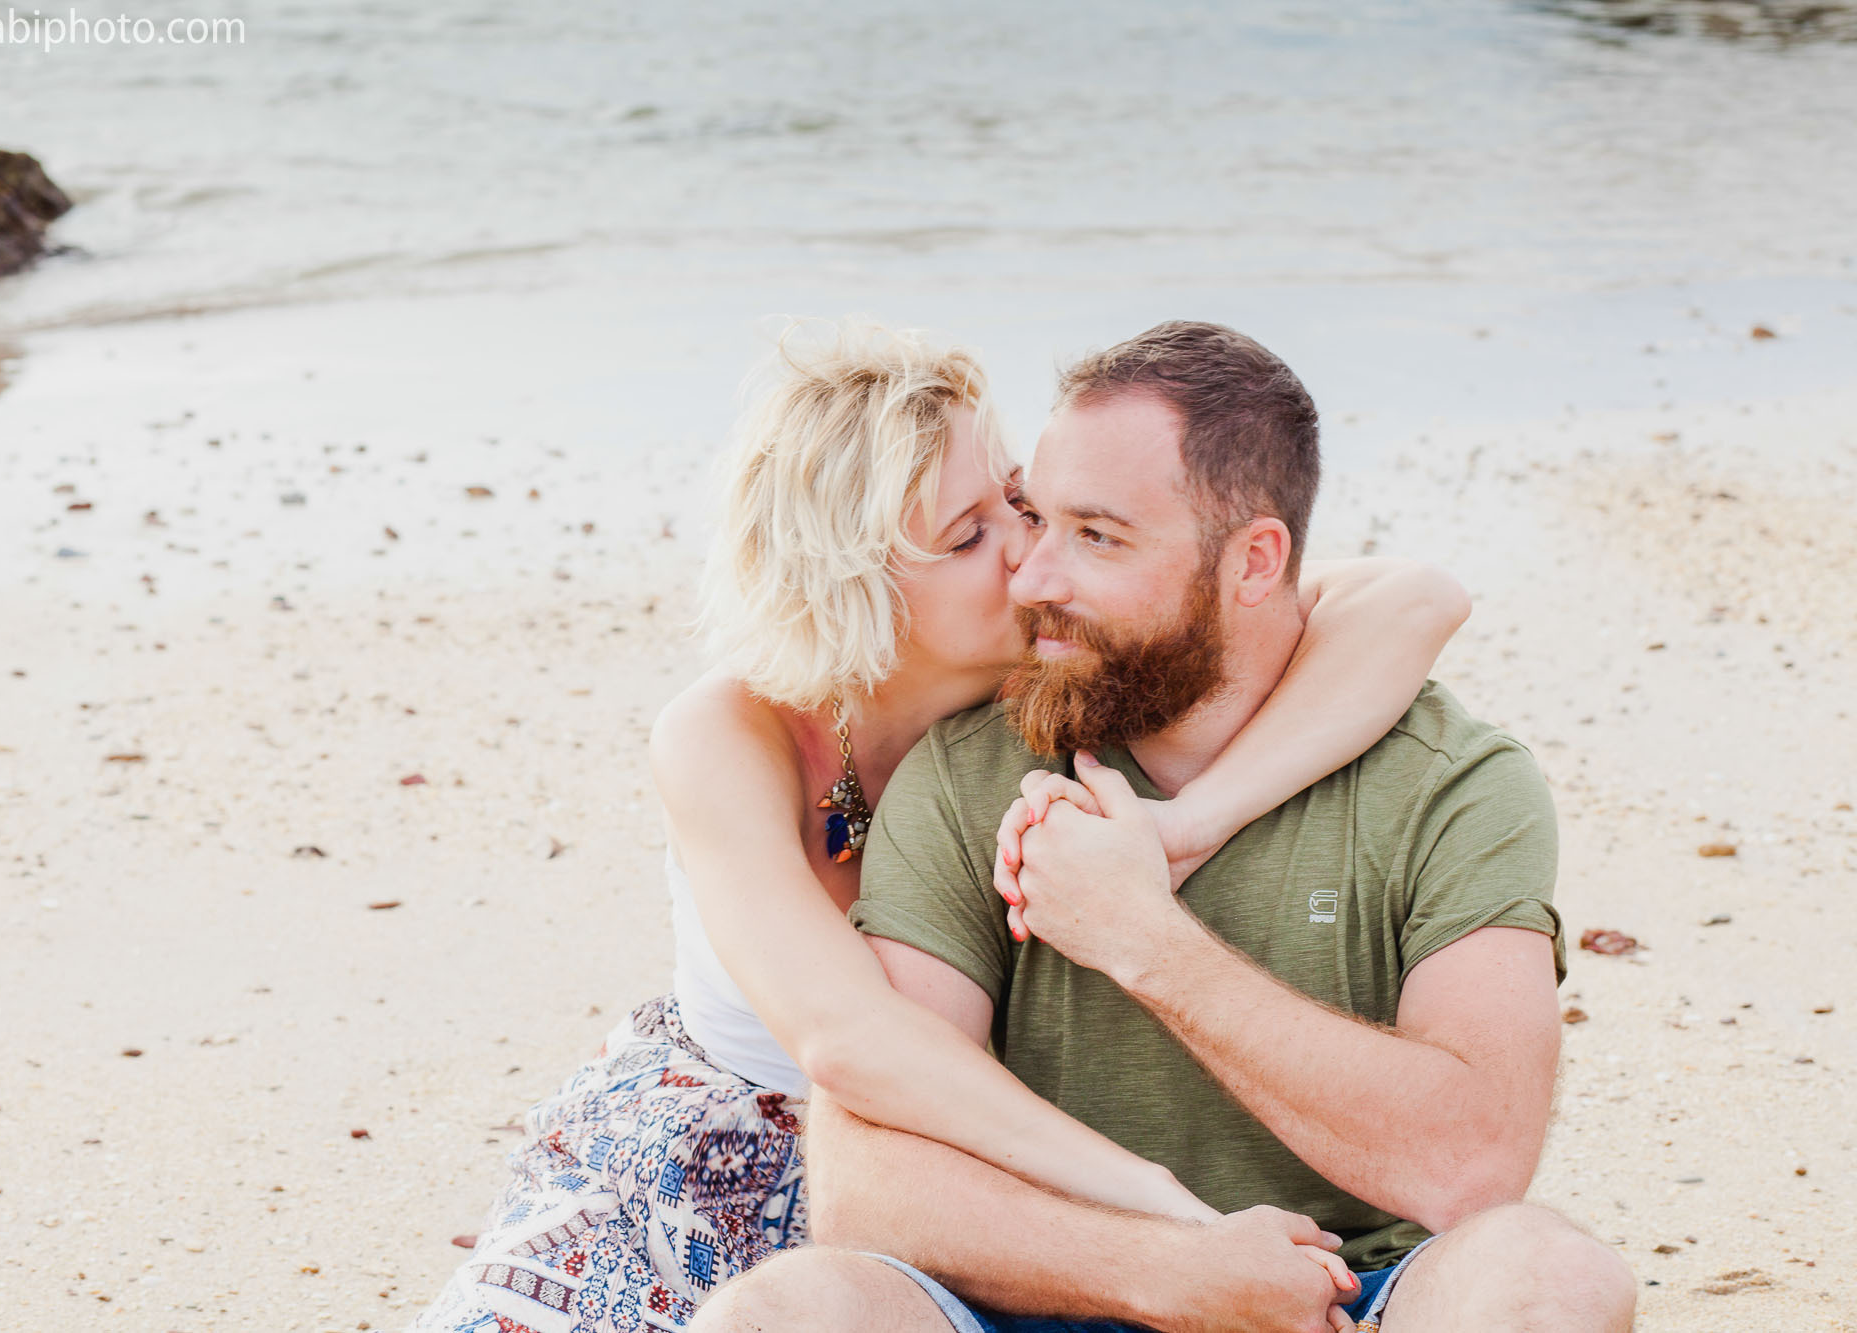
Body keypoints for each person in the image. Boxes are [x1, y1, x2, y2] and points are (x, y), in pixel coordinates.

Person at [411, 320, 1472, 1333]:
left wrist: (1190, 824)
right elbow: (851, 1043)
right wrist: (1165, 1210)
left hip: (961, 1180)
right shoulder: (729, 732)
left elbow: (1412, 597)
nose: (1030, 551)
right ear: (856, 587)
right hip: (723, 1158)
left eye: (1015, 501)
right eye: (973, 534)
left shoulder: (1046, 669)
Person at [691, 321, 1638, 1333]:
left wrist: (1144, 938)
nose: (1031, 576)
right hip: (1050, 1293)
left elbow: (1471, 1162)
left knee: (1549, 1276)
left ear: (1251, 563)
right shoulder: (961, 767)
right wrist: (1164, 1265)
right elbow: (863, 1179)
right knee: (788, 1311)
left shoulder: (1450, 783)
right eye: (1029, 518)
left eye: (1094, 536)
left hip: (1352, 1298)